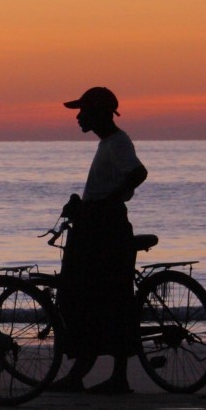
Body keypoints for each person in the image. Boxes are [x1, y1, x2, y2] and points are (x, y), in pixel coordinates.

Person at [51, 87, 147, 393]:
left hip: (107, 228)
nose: (78, 117)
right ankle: (80, 373)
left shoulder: (118, 143)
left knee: (109, 298)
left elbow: (138, 173)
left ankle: (115, 377)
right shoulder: (108, 143)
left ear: (99, 113)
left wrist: (107, 202)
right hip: (96, 224)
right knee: (88, 299)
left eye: (83, 111)